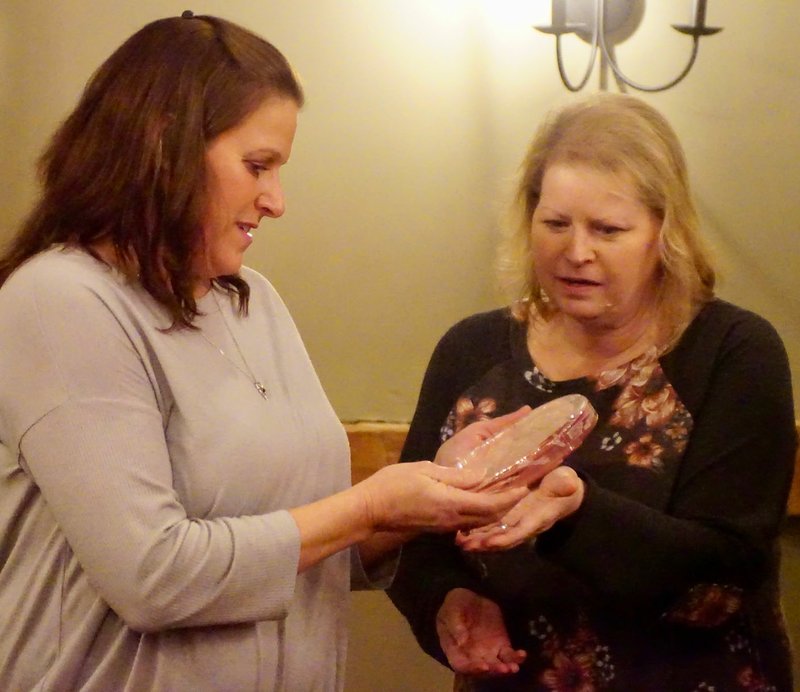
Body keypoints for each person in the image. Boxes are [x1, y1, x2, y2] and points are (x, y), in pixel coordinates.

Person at [0, 13, 531, 691]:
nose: (276, 201)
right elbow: (153, 577)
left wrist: (426, 494)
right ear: (164, 145)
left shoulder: (256, 302)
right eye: (258, 166)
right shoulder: (60, 300)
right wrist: (368, 505)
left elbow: (298, 546)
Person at [387, 93, 797, 691]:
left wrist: (577, 514)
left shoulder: (733, 352)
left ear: (664, 230)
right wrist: (445, 602)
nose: (576, 252)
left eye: (608, 229)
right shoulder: (471, 351)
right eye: (556, 223)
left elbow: (728, 573)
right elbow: (412, 539)